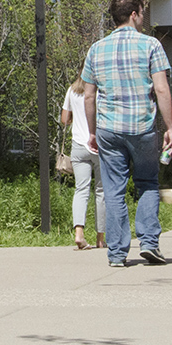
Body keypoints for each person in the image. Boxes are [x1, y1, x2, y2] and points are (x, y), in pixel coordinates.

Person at [82, 0, 172, 267]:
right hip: (141, 127)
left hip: (108, 129)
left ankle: (117, 253)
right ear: (134, 14)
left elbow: (89, 96)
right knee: (147, 183)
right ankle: (148, 243)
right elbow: (161, 88)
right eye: (143, 13)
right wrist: (170, 126)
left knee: (113, 190)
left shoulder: (96, 48)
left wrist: (91, 131)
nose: (143, 18)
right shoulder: (151, 45)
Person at [62, 75, 105, 250]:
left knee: (81, 189)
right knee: (101, 191)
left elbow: (65, 119)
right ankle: (101, 238)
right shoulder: (101, 91)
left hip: (78, 145)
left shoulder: (72, 90)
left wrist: (76, 120)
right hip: (99, 145)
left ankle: (79, 233)